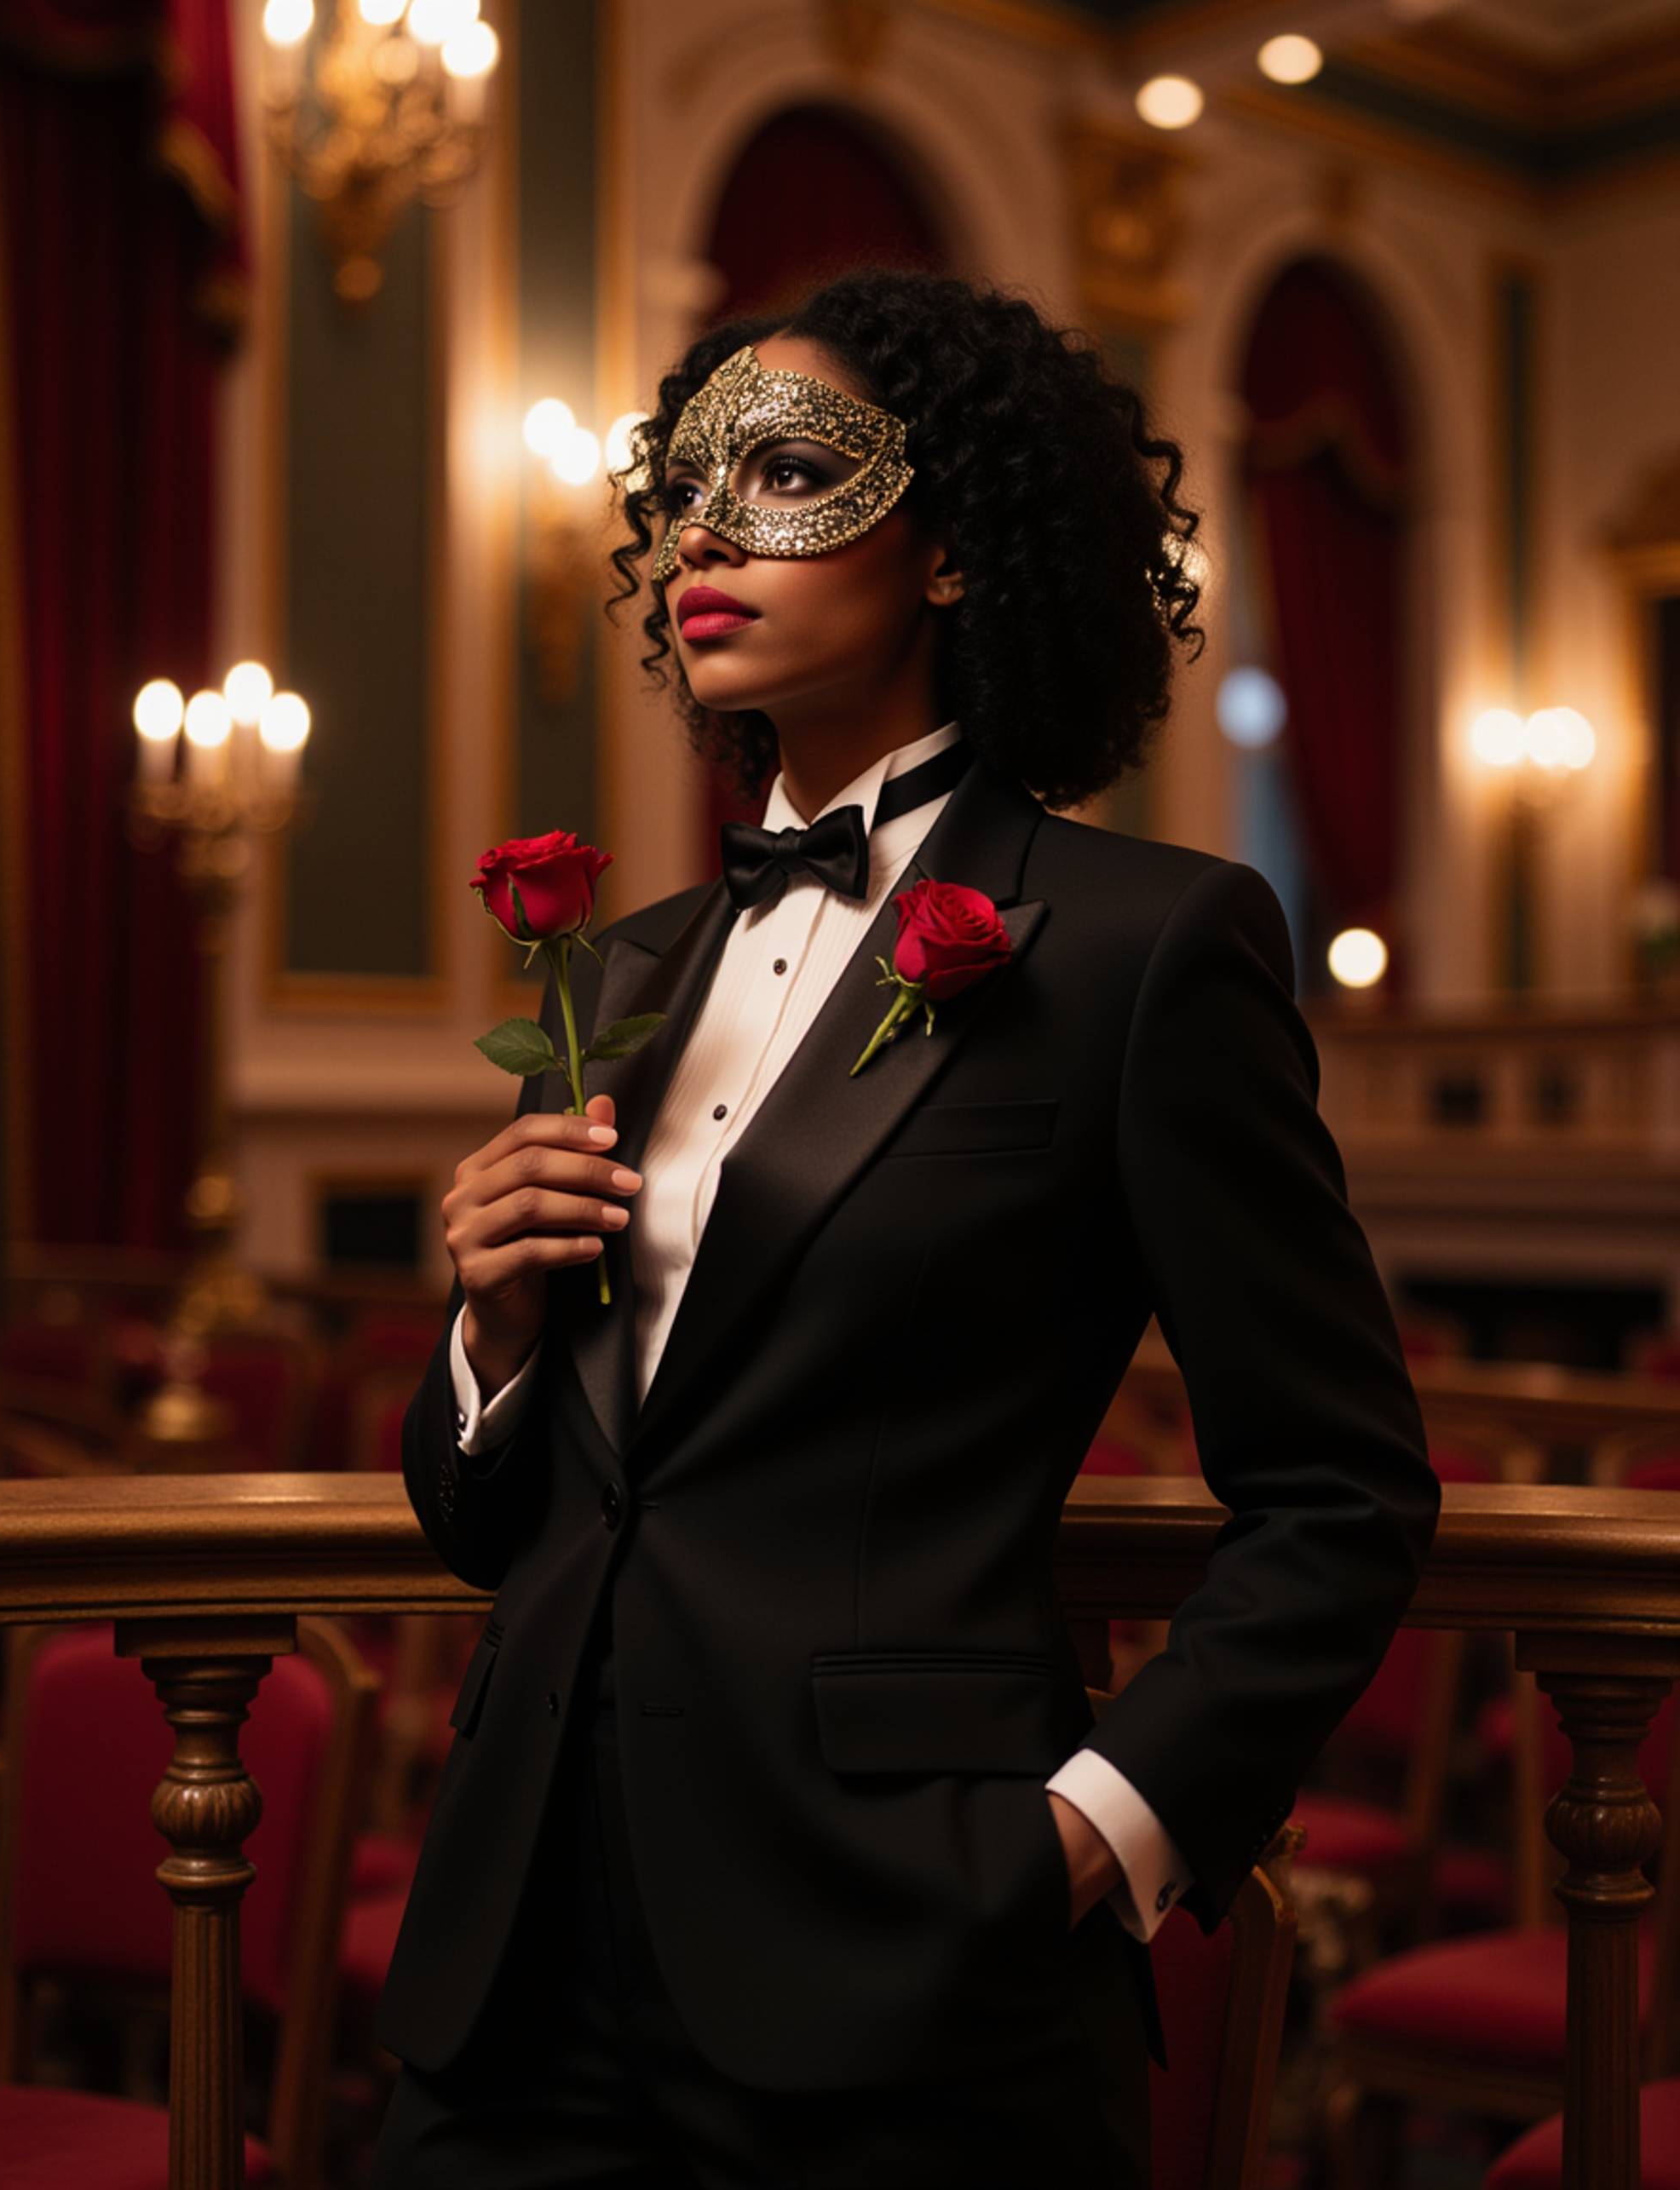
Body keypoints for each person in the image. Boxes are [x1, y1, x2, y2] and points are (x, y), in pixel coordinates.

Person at [371, 267, 1441, 2188]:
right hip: (518, 1951)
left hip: (900, 1974)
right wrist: (490, 1341)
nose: (704, 530)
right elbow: (498, 1518)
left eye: (787, 473)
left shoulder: (1143, 946)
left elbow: (1342, 1487)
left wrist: (1091, 1833)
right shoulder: (614, 968)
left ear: (952, 546)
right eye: (684, 488)